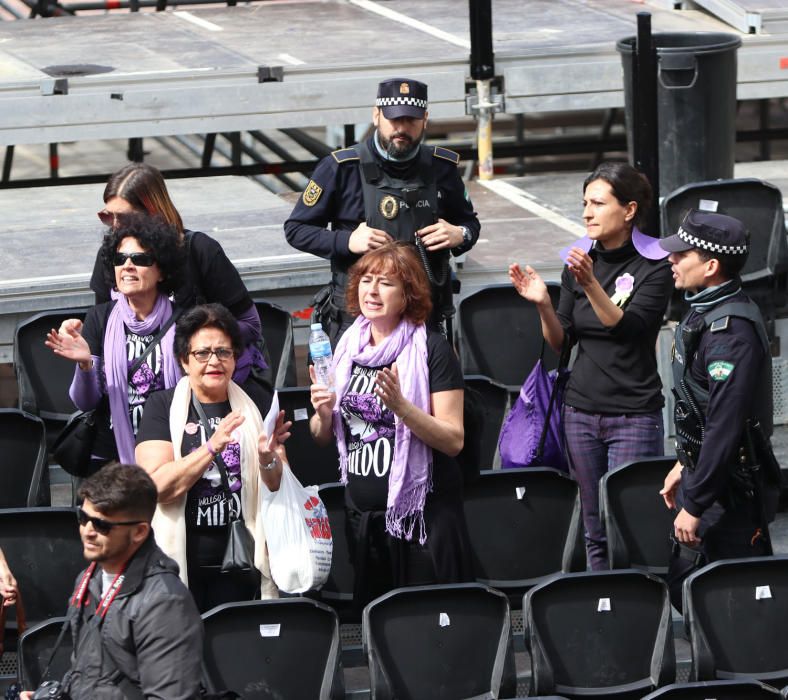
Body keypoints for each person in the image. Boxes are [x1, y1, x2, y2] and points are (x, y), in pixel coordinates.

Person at [509, 162, 673, 570]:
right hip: (580, 411)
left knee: (629, 523)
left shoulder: (654, 264)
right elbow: (561, 341)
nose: (587, 213)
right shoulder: (578, 261)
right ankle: (603, 610)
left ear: (629, 210)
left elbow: (629, 329)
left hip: (633, 413)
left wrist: (592, 285)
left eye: (598, 203)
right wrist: (544, 305)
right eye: (585, 203)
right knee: (593, 525)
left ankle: (639, 611)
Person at [309, 241, 473, 604]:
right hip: (364, 522)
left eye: (386, 283)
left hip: (421, 521)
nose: (372, 289)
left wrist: (403, 407)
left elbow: (453, 440)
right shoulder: (347, 347)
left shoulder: (432, 350)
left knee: (423, 631)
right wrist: (322, 414)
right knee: (377, 631)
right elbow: (323, 437)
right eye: (367, 279)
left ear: (408, 294)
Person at [284, 77, 481, 344]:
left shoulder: (441, 167)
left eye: (410, 120)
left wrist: (460, 234)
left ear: (425, 118)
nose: (401, 128)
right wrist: (347, 241)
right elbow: (296, 230)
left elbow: (470, 224)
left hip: (424, 315)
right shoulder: (341, 168)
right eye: (394, 120)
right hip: (359, 318)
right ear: (376, 116)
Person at [658, 210, 779, 608]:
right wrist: (684, 462)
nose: (671, 260)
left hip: (727, 493)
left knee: (731, 607)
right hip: (707, 477)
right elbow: (701, 408)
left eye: (681, 255)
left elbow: (725, 425)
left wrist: (695, 504)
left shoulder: (732, 334)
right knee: (688, 593)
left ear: (710, 266)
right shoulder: (704, 309)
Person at [136, 304, 291, 612]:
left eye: (224, 352)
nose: (214, 362)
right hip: (181, 559)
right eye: (202, 353)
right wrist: (210, 448)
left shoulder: (257, 403)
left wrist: (266, 460)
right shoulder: (161, 407)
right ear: (184, 360)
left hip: (244, 557)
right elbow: (157, 487)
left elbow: (278, 486)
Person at [89, 161, 272, 413]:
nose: (115, 226)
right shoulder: (113, 255)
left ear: (152, 211)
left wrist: (198, 335)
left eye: (124, 217)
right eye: (108, 216)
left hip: (205, 396)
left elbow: (251, 325)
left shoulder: (199, 250)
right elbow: (103, 327)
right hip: (134, 400)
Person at [20, 462, 203, 700]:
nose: (87, 530)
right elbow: (90, 674)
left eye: (102, 525)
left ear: (139, 532)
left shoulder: (165, 604)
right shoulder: (89, 579)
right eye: (83, 517)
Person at [46, 214, 183, 472]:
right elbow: (85, 402)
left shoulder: (185, 320)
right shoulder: (101, 317)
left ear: (162, 270)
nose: (128, 266)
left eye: (140, 259)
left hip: (169, 452)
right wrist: (85, 365)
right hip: (109, 457)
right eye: (120, 259)